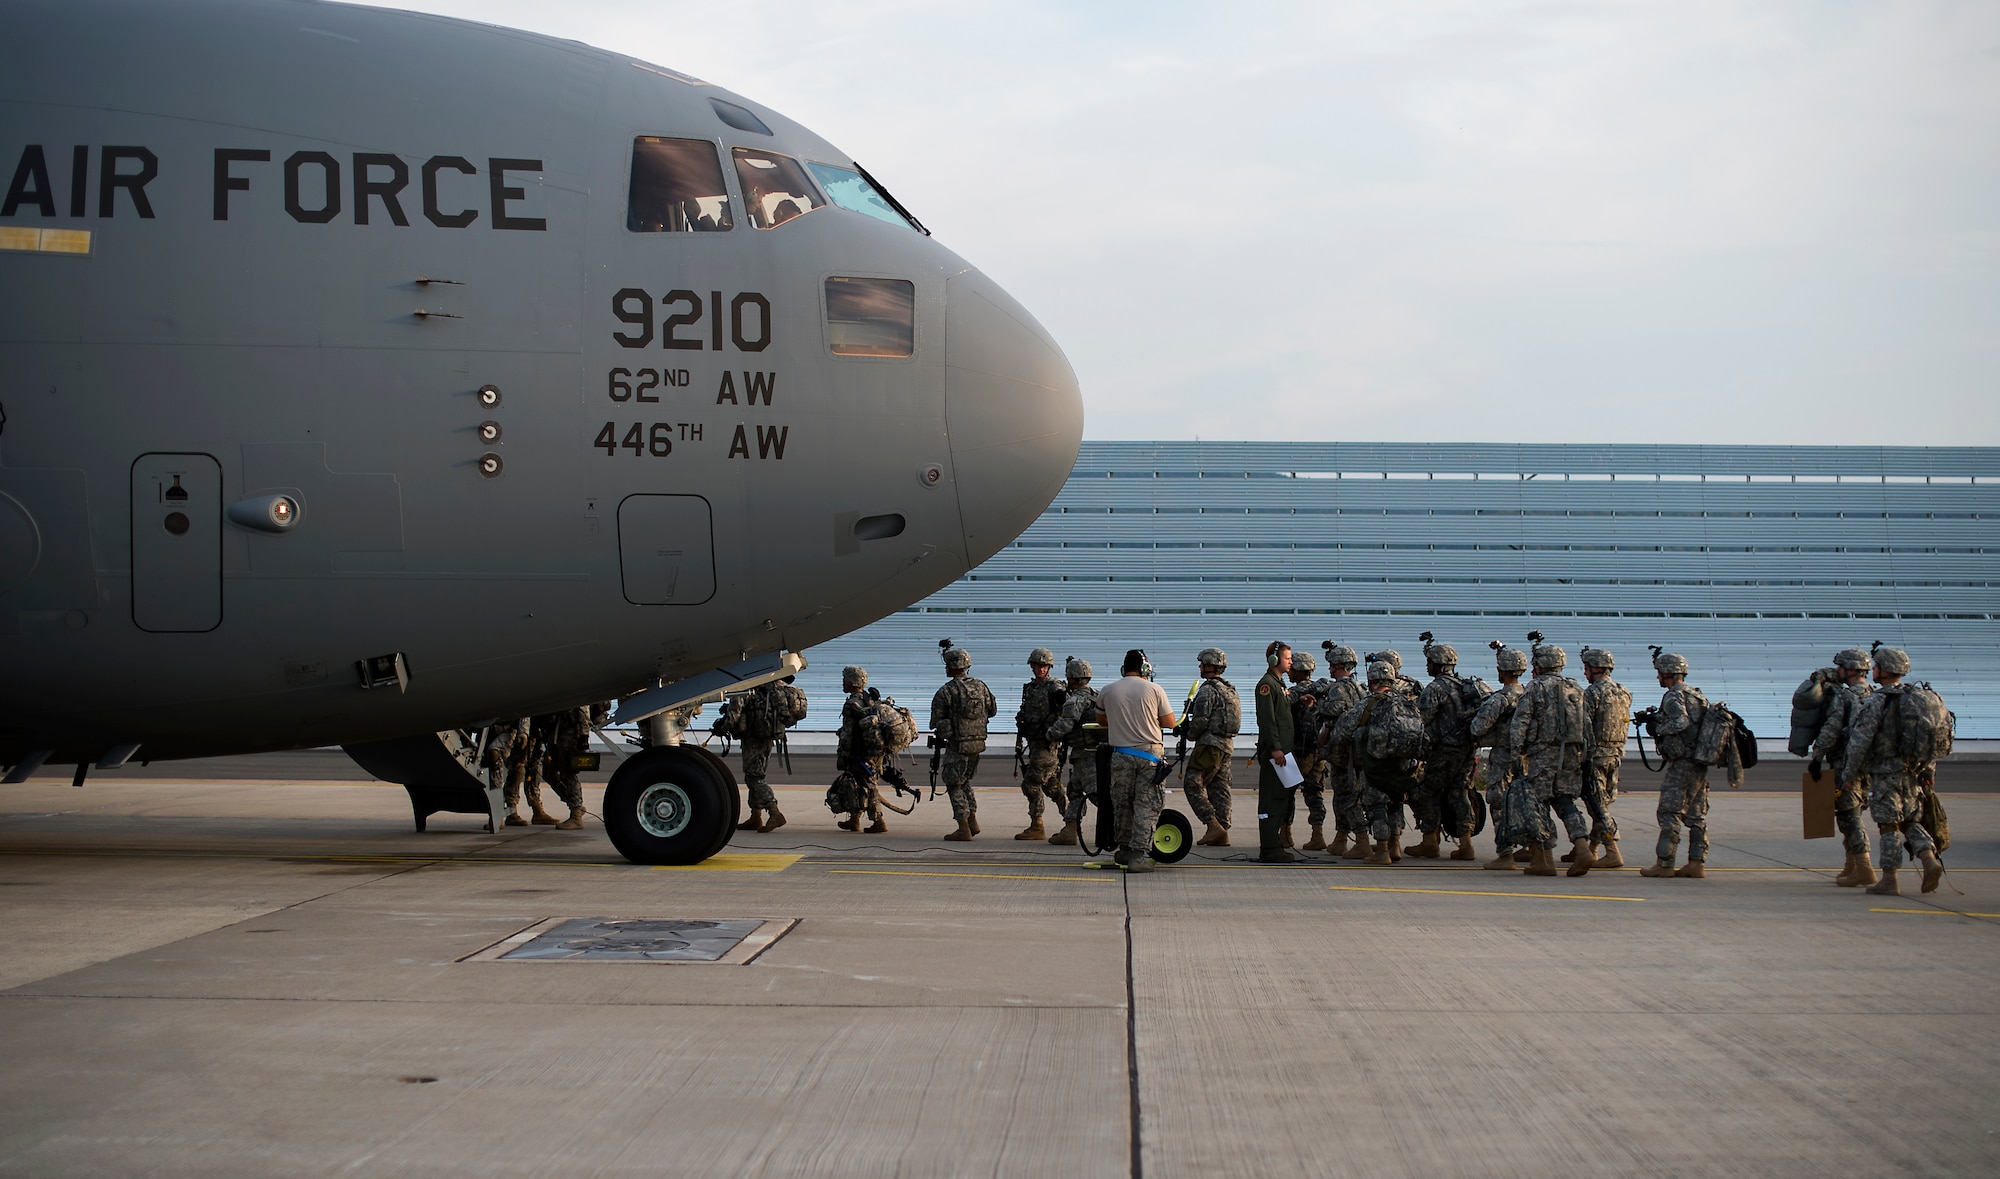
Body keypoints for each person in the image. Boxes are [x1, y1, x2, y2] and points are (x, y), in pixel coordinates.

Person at [1841, 646, 1946, 896]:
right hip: (1913, 772)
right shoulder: (1917, 699)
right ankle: (1929, 858)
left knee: (1888, 825)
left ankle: (1889, 879)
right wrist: (1929, 771)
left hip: (1885, 773)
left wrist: (1850, 774)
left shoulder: (1879, 700)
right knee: (1910, 819)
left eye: (1876, 666)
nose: (1873, 670)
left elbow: (1860, 741)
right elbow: (1931, 737)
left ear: (1886, 671)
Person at [1507, 640, 1592, 877]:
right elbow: (1587, 725)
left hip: (1543, 755)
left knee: (1538, 803)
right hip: (1571, 754)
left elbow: (1520, 722)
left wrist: (1516, 755)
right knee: (1565, 801)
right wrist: (1586, 757)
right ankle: (1582, 845)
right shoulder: (1574, 688)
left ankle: (1543, 859)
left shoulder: (1535, 688)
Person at [1093, 649, 1177, 871]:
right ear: (1145, 669)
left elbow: (1101, 719)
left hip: (1121, 754)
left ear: (1123, 668)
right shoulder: (1154, 689)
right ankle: (1139, 856)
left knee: (1122, 804)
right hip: (1149, 756)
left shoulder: (1108, 690)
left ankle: (1124, 850)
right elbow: (1169, 722)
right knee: (1146, 806)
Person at [1638, 650, 1710, 879]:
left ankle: (1665, 863)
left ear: (1668, 673)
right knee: (1696, 813)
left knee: (1669, 811)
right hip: (1699, 762)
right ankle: (1697, 863)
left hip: (1682, 764)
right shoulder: (1697, 695)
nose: (1658, 677)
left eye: (1660, 673)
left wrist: (1659, 729)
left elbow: (1681, 721)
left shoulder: (1673, 696)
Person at [1810, 648, 1877, 887]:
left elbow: (1832, 729)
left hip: (1845, 762)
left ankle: (1865, 866)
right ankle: (1852, 865)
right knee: (1854, 811)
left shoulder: (1844, 697)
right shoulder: (1876, 695)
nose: (1837, 671)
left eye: (1840, 667)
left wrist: (1817, 757)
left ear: (1849, 670)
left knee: (1849, 815)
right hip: (1869, 764)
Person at [1416, 638, 1484, 861]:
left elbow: (1421, 719)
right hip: (1467, 749)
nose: (1427, 666)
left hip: (1444, 750)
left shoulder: (1436, 688)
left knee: (1428, 791)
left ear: (1437, 664)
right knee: (1460, 792)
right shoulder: (1464, 685)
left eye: (1429, 662)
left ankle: (1429, 842)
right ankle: (1466, 843)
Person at [1472, 643, 1529, 870]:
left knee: (1498, 800)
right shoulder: (1530, 695)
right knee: (1526, 800)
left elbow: (1477, 728)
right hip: (1527, 757)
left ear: (1502, 671)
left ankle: (1505, 854)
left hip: (1504, 756)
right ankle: (1530, 846)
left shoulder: (1500, 699)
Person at [931, 644, 997, 841]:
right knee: (965, 780)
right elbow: (992, 710)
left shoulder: (947, 691)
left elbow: (937, 720)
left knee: (953, 783)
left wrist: (948, 730)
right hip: (977, 744)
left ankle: (963, 826)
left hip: (958, 745)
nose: (945, 669)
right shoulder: (981, 686)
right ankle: (972, 820)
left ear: (952, 667)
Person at [1312, 644, 1370, 857]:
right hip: (1358, 750)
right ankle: (1341, 838)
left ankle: (1362, 839)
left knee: (1346, 795)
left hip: (1342, 750)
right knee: (1349, 793)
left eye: (1331, 665)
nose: (1329, 669)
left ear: (1337, 665)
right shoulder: (1362, 687)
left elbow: (1334, 709)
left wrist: (1318, 706)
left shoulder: (1337, 688)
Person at [1181, 648, 1241, 847]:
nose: (1200, 667)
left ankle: (1213, 825)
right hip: (1226, 745)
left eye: (1202, 664)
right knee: (1219, 787)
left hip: (1210, 746)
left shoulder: (1207, 690)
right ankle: (1222, 830)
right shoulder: (1229, 688)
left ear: (1209, 665)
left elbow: (1200, 721)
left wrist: (1188, 734)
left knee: (1192, 783)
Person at [1578, 647, 1631, 869]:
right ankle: (1592, 849)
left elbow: (1584, 725)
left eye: (1587, 668)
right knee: (1601, 802)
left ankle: (1612, 851)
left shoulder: (1592, 694)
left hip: (1596, 756)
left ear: (1597, 668)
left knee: (1598, 807)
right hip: (1616, 755)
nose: (1585, 673)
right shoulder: (1623, 691)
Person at [1013, 648, 1070, 840]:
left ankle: (1037, 825)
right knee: (1051, 785)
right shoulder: (1030, 688)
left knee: (1030, 784)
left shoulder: (1055, 687)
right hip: (1034, 743)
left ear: (1049, 667)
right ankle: (1071, 820)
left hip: (1048, 745)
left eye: (1044, 666)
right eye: (1037, 665)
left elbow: (1068, 709)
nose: (1041, 669)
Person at [1045, 657, 1103, 846]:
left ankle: (1120, 826)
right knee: (1075, 791)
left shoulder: (1075, 700)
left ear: (1072, 678)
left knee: (1096, 794)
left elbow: (1065, 725)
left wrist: (1049, 734)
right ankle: (1070, 829)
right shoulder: (1098, 695)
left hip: (1086, 754)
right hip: (1092, 752)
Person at [1253, 641, 1298, 864]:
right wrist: (1276, 748)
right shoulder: (1267, 685)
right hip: (1276, 754)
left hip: (1283, 753)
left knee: (1282, 798)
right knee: (1272, 800)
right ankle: (1270, 848)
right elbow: (1267, 721)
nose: (1291, 662)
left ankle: (1275, 844)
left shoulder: (1279, 685)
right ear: (1274, 660)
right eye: (1287, 658)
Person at [1286, 651, 1334, 850]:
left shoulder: (1294, 693)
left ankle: (1285, 834)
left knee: (1286, 792)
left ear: (1298, 671)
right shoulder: (1323, 691)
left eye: (1292, 669)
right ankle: (1317, 834)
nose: (1289, 672)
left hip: (1298, 751)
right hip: (1319, 750)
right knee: (1314, 792)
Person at [833, 666, 886, 833]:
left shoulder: (851, 703)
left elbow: (848, 732)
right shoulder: (870, 700)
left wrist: (845, 753)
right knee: (858, 785)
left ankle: (878, 821)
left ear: (851, 682)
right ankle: (854, 820)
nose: (843, 683)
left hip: (859, 752)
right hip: (874, 750)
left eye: (845, 680)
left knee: (867, 785)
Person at [538, 704, 593, 830]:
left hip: (570, 733)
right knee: (548, 772)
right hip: (556, 733)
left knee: (568, 773)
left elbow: (583, 708)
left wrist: (584, 736)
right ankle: (575, 804)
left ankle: (576, 815)